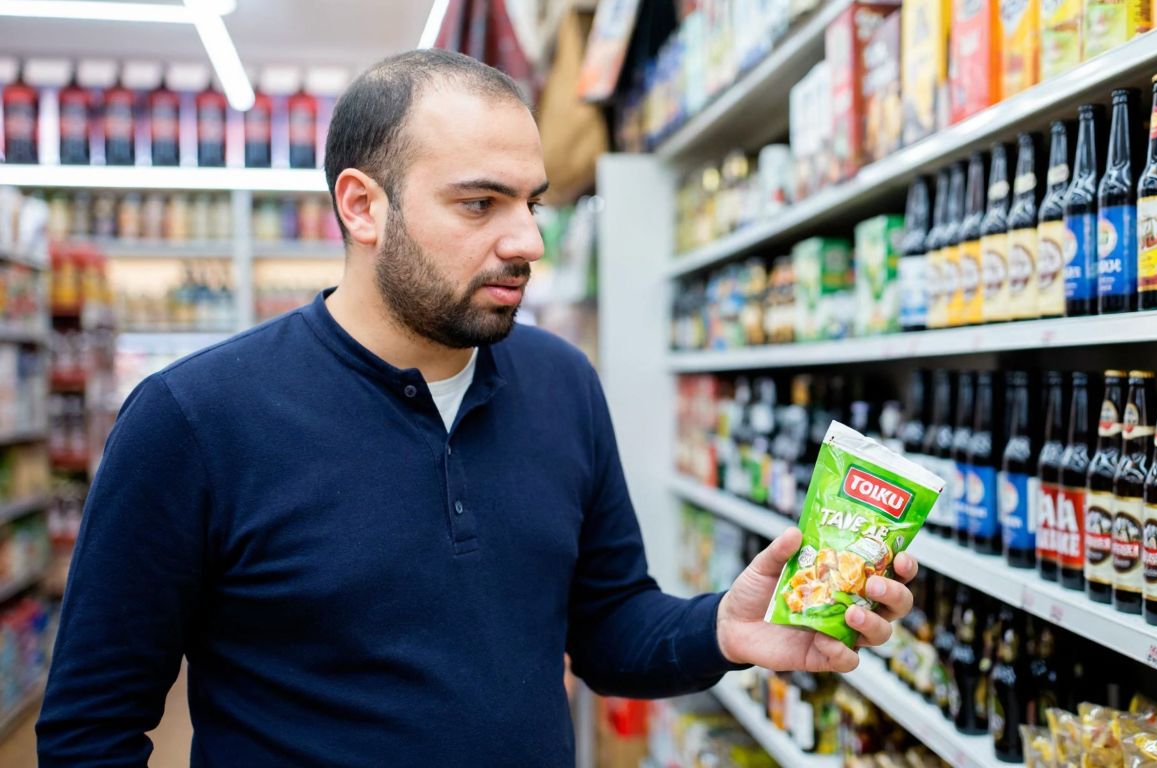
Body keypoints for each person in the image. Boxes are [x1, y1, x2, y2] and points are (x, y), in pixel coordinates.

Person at [35, 50, 917, 766]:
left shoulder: (562, 383)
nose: (527, 240)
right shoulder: (193, 421)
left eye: (531, 202)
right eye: (479, 202)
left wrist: (721, 626)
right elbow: (89, 731)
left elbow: (608, 629)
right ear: (361, 205)